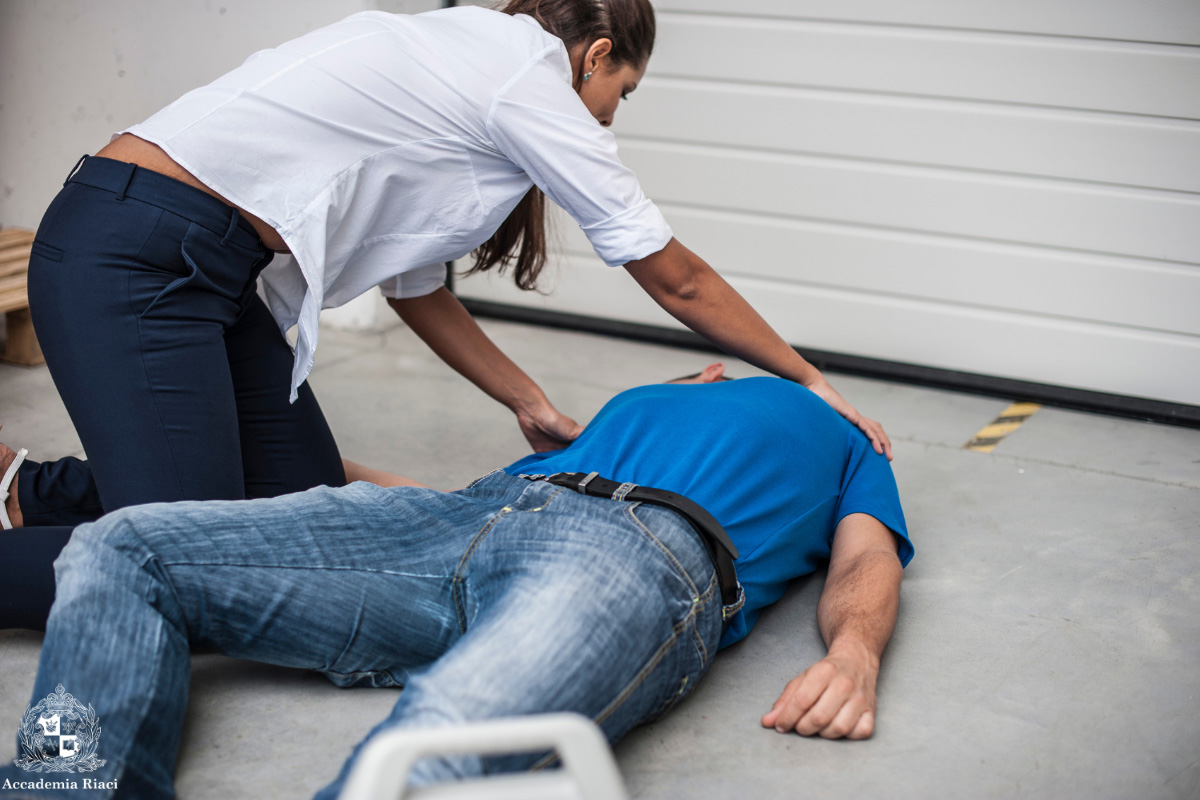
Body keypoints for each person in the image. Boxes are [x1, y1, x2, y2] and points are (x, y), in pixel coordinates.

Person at [4, 0, 890, 537]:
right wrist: (810, 378)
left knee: (303, 507)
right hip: (134, 255)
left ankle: (26, 491)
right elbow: (676, 279)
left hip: (212, 279)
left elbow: (416, 287)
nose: (611, 121)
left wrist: (527, 402)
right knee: (182, 553)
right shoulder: (522, 83)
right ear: (594, 58)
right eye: (623, 92)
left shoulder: (468, 63)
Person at [0, 367, 912, 798]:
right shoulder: (658, 394)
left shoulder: (846, 438)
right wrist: (326, 499)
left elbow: (868, 556)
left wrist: (856, 654)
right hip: (469, 514)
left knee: (440, 742)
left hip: (643, 551)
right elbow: (498, 501)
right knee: (124, 546)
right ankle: (67, 791)